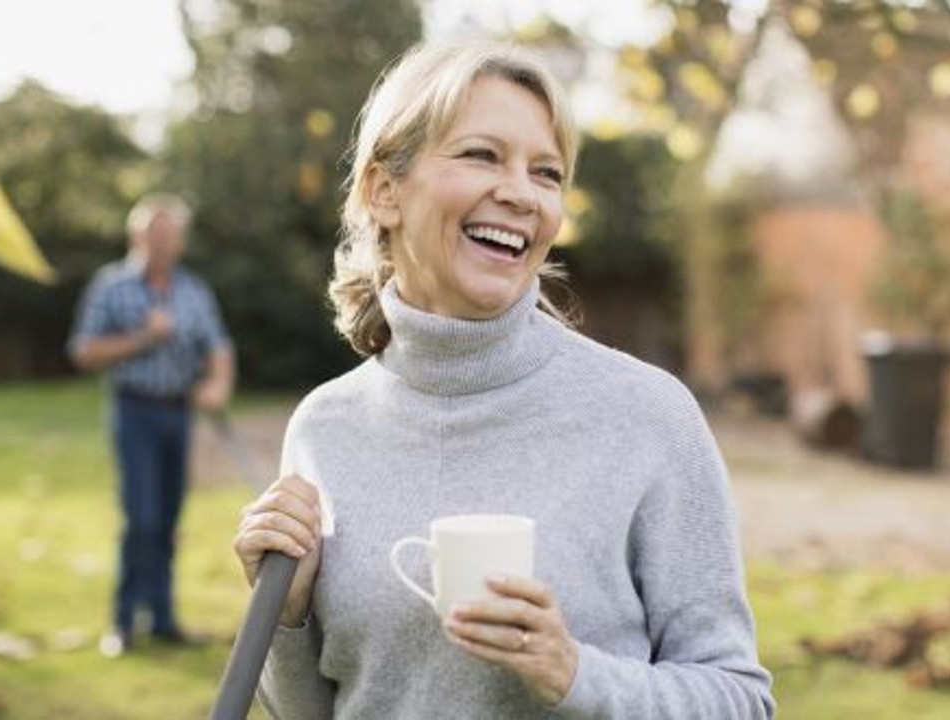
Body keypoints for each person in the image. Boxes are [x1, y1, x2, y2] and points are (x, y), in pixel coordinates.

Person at [233, 41, 775, 717]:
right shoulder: (325, 427)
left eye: (546, 173)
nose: (521, 193)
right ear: (384, 190)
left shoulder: (645, 416)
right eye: (482, 155)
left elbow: (737, 699)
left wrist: (575, 673)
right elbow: (318, 709)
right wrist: (285, 618)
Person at [69, 193, 234, 657]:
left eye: (172, 234)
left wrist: (217, 384)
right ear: (135, 236)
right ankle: (122, 623)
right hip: (133, 411)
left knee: (167, 519)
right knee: (139, 518)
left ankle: (163, 620)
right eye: (154, 233)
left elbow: (218, 345)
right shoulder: (111, 286)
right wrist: (144, 338)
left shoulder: (193, 291)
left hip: (177, 412)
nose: (163, 242)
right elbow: (84, 351)